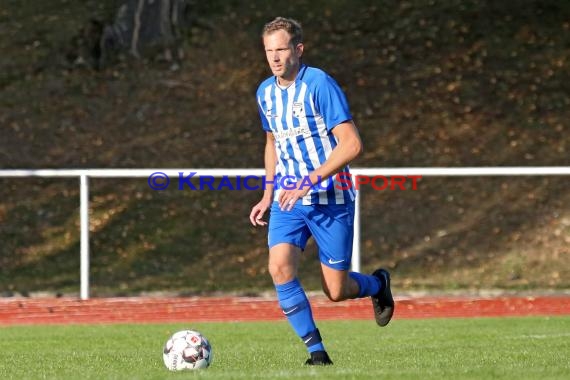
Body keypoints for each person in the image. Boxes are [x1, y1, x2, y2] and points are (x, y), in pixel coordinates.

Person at [249, 17, 394, 366]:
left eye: (282, 48)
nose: (275, 57)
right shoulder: (265, 92)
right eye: (269, 51)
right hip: (289, 199)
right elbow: (272, 142)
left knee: (336, 291)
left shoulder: (319, 84)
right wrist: (269, 192)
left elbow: (351, 144)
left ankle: (377, 285)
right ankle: (317, 352)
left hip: (332, 199)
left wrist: (309, 180)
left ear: (298, 49)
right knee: (279, 267)